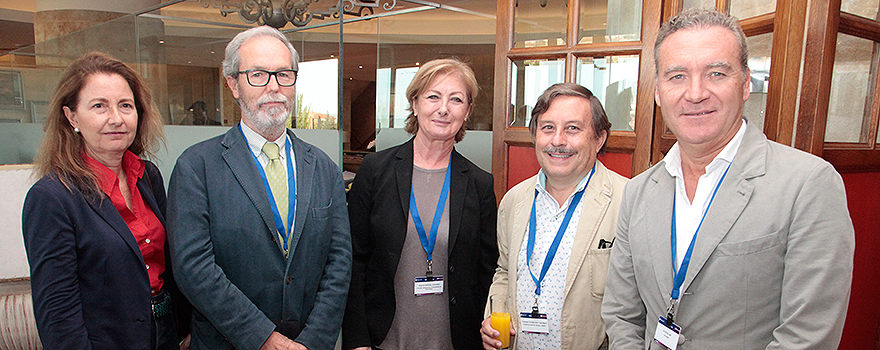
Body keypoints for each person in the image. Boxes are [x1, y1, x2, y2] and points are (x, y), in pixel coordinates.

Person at [602, 9, 855, 349]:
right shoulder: (639, 190)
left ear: (746, 82)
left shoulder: (808, 184)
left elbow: (807, 336)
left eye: (716, 73)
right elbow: (621, 313)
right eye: (677, 76)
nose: (695, 93)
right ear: (658, 92)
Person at [166, 26, 352, 350]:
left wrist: (312, 342)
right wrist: (264, 339)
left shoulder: (325, 169)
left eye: (284, 74)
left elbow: (339, 263)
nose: (274, 87)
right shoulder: (196, 167)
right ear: (233, 85)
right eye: (258, 75)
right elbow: (193, 267)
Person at [22, 51, 190, 350]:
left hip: (164, 336)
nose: (116, 118)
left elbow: (171, 265)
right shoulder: (51, 197)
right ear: (71, 116)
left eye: (125, 106)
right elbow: (57, 313)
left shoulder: (147, 176)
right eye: (99, 106)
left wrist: (184, 328)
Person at [342, 58, 498, 350]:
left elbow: (488, 272)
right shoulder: (376, 171)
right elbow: (354, 260)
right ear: (415, 103)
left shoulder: (479, 184)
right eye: (433, 96)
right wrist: (357, 339)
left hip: (454, 342)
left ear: (467, 112)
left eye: (456, 99)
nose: (443, 108)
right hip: (383, 340)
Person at [480, 83, 628, 350]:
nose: (558, 140)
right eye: (548, 128)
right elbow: (503, 271)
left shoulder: (628, 200)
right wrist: (494, 314)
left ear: (599, 139)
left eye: (573, 128)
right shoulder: (514, 200)